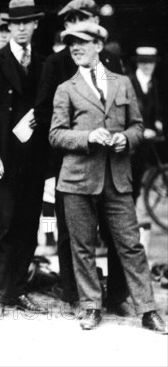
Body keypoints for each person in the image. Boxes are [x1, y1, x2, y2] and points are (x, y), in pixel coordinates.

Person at [49, 22, 167, 334]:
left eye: (83, 43)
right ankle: (90, 307)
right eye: (71, 43)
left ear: (99, 46)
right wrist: (89, 136)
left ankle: (148, 309)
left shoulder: (123, 83)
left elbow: (138, 127)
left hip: (117, 177)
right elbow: (56, 135)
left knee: (130, 244)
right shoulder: (66, 89)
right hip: (77, 179)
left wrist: (125, 139)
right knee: (82, 246)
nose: (75, 48)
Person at [34, 0, 129, 313]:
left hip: (111, 163)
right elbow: (46, 114)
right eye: (72, 20)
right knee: (71, 233)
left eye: (85, 19)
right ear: (66, 26)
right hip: (72, 161)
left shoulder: (111, 59)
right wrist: (76, 142)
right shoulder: (55, 63)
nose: (79, 26)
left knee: (116, 233)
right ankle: (75, 293)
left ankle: (117, 295)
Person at [0, 0, 47, 320]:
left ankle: (18, 289)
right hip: (4, 157)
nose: (21, 28)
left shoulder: (44, 61)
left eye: (27, 22)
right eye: (16, 23)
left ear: (35, 24)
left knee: (28, 224)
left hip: (32, 159)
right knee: (3, 223)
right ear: (10, 26)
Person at [128, 46, 164, 257]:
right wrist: (143, 129)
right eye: (145, 63)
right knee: (130, 179)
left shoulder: (153, 83)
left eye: (151, 63)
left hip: (146, 138)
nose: (149, 66)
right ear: (139, 63)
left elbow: (155, 106)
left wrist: (157, 122)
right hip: (133, 137)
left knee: (140, 176)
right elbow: (132, 111)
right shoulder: (130, 82)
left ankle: (132, 219)